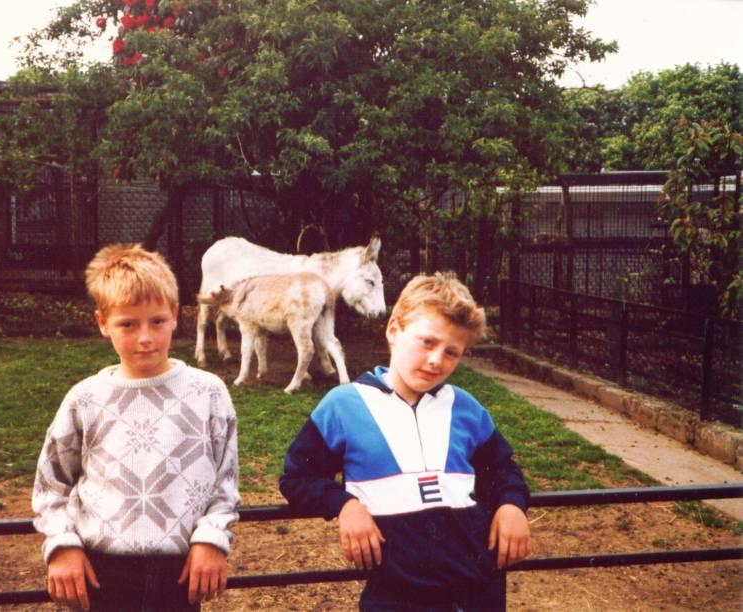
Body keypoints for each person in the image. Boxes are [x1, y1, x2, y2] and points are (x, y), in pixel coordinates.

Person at [279, 272, 531, 611]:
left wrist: (512, 505)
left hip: (476, 590)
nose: (436, 360)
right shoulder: (343, 406)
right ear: (394, 330)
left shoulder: (466, 407)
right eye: (427, 342)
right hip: (397, 593)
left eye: (452, 352)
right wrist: (344, 505)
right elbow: (296, 478)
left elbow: (503, 469)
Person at [32, 243, 240, 611]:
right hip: (102, 573)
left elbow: (225, 481)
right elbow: (51, 484)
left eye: (157, 321)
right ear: (102, 323)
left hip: (182, 574)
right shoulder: (85, 399)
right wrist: (62, 545)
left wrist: (211, 538)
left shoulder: (208, 394)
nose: (145, 337)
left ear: (176, 314)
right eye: (128, 324)